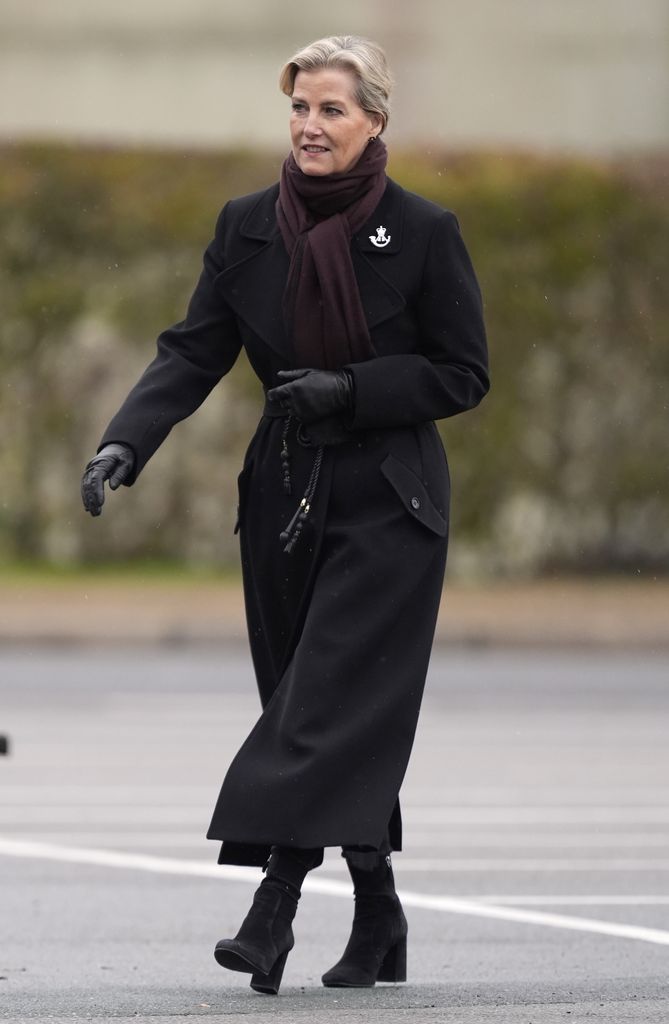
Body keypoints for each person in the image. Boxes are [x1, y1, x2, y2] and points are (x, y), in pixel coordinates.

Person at [81, 35, 489, 995]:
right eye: (300, 108)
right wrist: (125, 442)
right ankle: (379, 909)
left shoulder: (424, 231)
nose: (310, 126)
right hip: (283, 496)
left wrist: (349, 389)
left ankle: (273, 912)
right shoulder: (245, 226)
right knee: (311, 707)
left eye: (331, 110)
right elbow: (192, 350)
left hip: (391, 499)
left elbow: (462, 373)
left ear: (373, 122)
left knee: (323, 704)